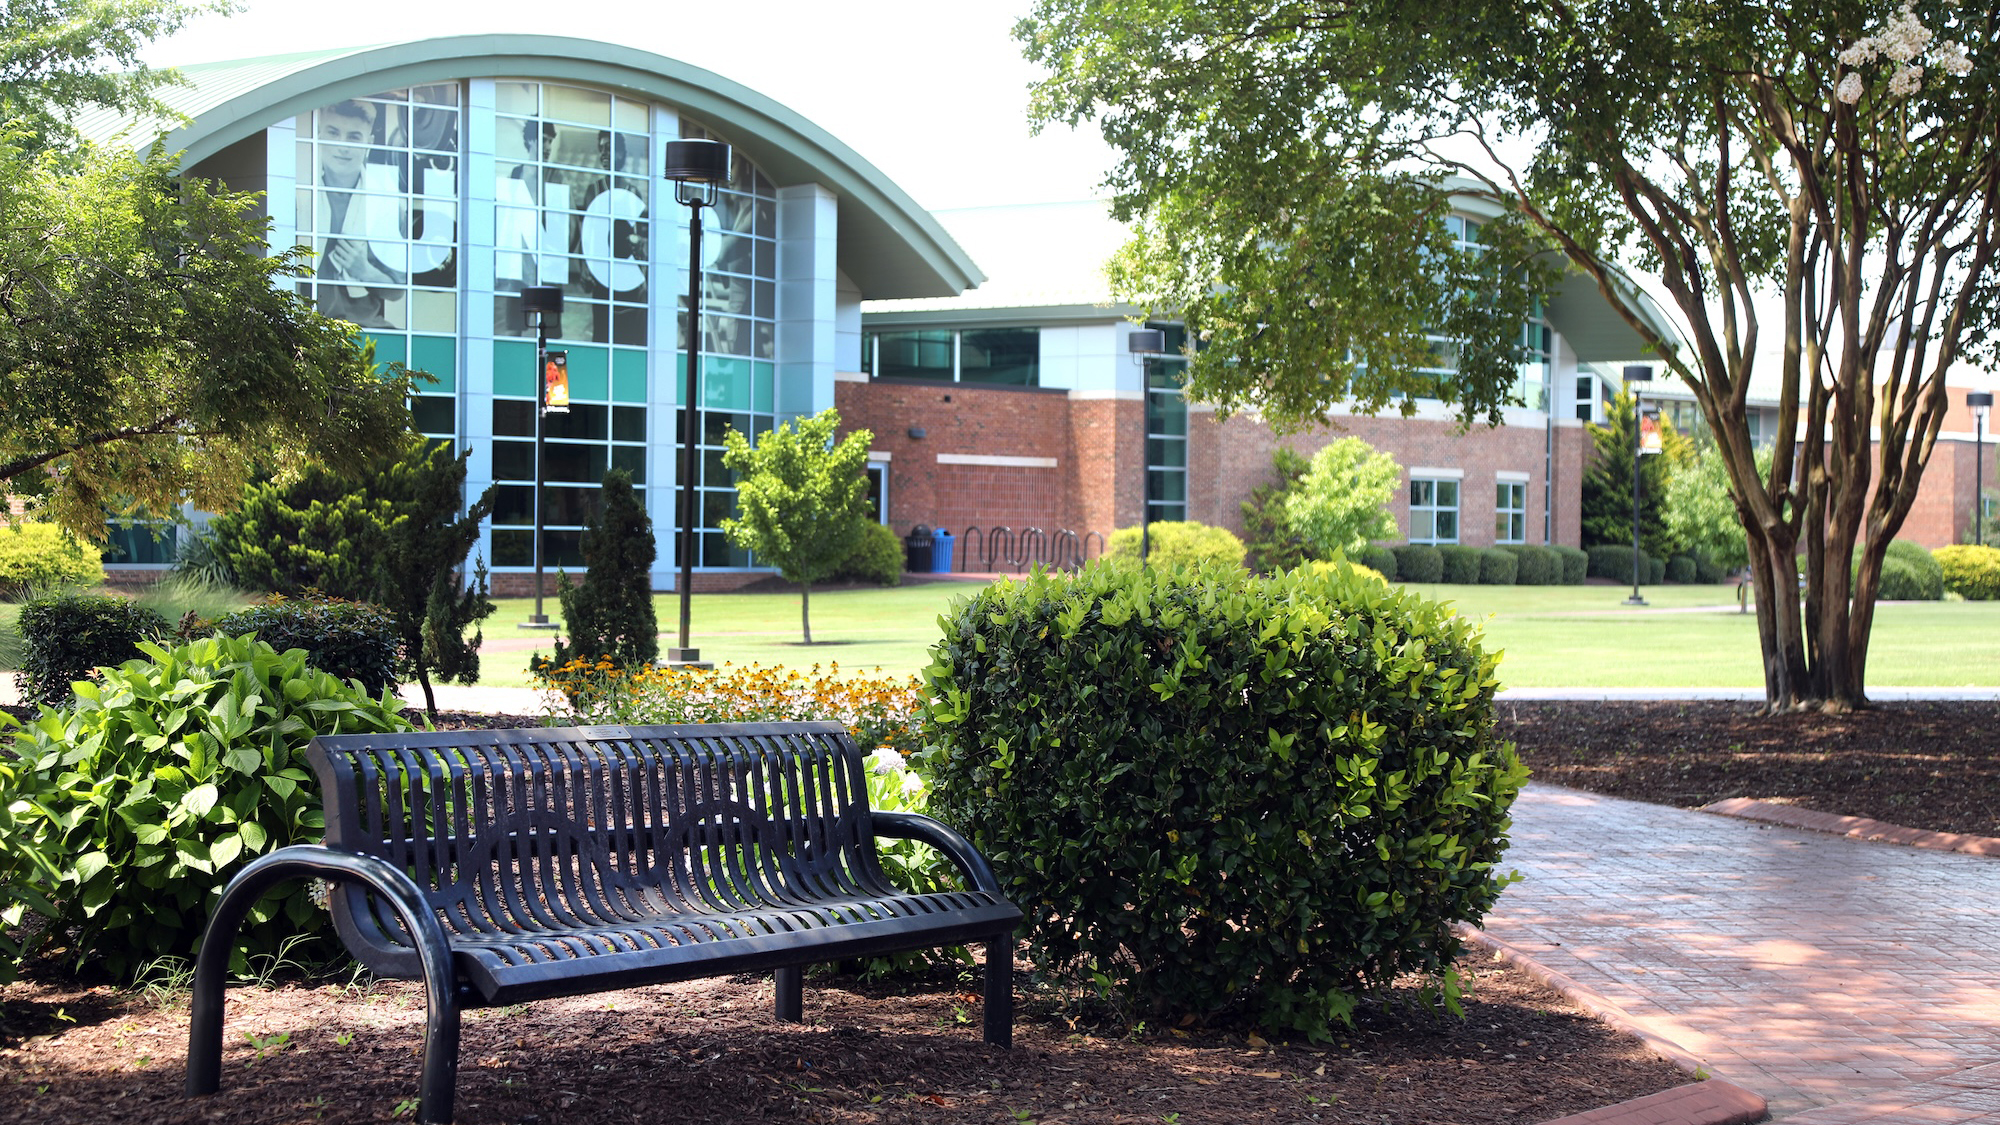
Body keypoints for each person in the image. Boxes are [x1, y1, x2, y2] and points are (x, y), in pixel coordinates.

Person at [313, 98, 407, 329]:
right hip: (304, 327)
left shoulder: (387, 205)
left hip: (364, 327)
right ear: (318, 134)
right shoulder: (301, 194)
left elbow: (397, 290)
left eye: (354, 137)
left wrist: (363, 270)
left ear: (369, 143)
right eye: (333, 133)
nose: (342, 145)